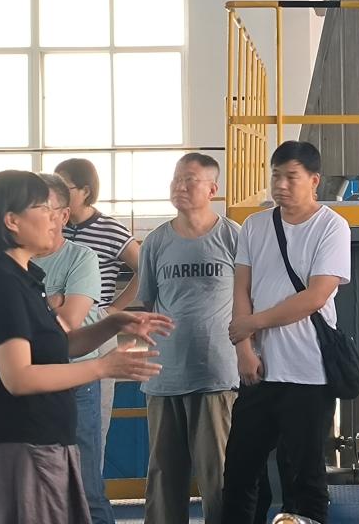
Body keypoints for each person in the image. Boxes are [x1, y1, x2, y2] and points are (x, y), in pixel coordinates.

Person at [0, 170, 171, 524]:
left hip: (42, 439)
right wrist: (103, 367)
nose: (55, 217)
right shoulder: (2, 284)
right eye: (43, 208)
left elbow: (60, 346)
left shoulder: (24, 278)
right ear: (12, 221)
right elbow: (19, 377)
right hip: (20, 444)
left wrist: (111, 324)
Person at [222, 141, 351, 524]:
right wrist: (244, 350)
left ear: (314, 181)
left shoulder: (332, 226)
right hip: (259, 371)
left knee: (304, 477)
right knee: (240, 471)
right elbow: (242, 289)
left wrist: (252, 324)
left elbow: (315, 296)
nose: (280, 184)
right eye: (275, 175)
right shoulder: (255, 225)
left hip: (309, 373)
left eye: (291, 177)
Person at [138, 153, 241, 524]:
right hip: (164, 376)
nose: (179, 187)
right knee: (164, 478)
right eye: (175, 179)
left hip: (216, 376)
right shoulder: (155, 242)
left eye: (190, 180)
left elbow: (249, 299)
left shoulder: (233, 236)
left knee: (220, 476)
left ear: (212, 189)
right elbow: (146, 301)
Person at [33, 173, 113, 524]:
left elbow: (70, 322)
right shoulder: (11, 260)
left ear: (63, 215)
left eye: (42, 207)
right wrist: (53, 300)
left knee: (85, 486)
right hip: (30, 379)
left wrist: (36, 306)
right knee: (37, 488)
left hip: (77, 379)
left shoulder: (81, 258)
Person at [54, 158, 142, 464]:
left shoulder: (110, 229)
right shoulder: (55, 227)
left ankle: (89, 486)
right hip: (57, 331)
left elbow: (145, 269)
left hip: (96, 332)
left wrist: (114, 309)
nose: (56, 194)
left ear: (85, 191)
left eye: (64, 187)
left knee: (92, 428)